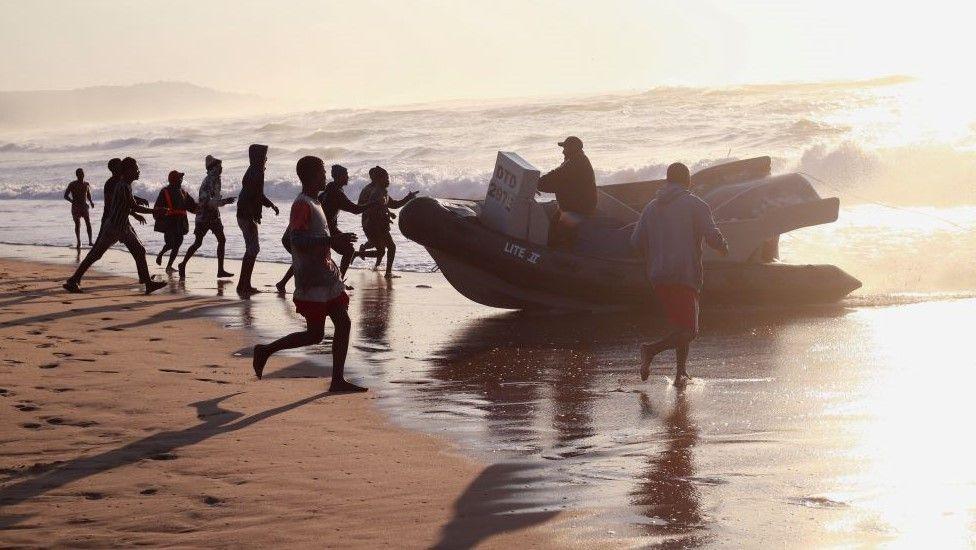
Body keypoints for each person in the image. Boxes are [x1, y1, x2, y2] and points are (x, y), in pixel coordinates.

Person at [252, 155, 363, 393]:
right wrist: (324, 244)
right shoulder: (302, 204)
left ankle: (337, 381)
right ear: (312, 176)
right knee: (316, 335)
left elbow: (297, 239)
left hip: (325, 277)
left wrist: (328, 247)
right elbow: (295, 239)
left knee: (342, 324)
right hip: (313, 283)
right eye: (322, 172)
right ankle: (265, 350)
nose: (325, 176)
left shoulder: (315, 202)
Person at [631, 162, 728, 387]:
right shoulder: (696, 205)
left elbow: (635, 242)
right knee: (690, 331)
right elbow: (712, 235)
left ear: (667, 180)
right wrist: (723, 246)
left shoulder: (650, 208)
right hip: (684, 274)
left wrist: (656, 253)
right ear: (688, 181)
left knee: (680, 325)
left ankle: (680, 373)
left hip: (659, 276)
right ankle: (650, 350)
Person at [64, 157, 168, 295]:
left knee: (139, 250)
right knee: (96, 254)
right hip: (113, 227)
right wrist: (156, 211)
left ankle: (148, 283)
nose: (138, 171)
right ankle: (73, 280)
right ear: (128, 171)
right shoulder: (121, 185)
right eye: (136, 169)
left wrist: (139, 212)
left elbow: (129, 204)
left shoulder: (125, 184)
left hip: (122, 226)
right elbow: (132, 206)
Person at [275, 164, 370, 292]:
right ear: (338, 177)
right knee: (346, 250)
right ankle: (338, 283)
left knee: (306, 258)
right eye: (345, 175)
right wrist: (374, 203)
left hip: (307, 233)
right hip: (307, 234)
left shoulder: (326, 192)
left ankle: (282, 283)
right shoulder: (335, 193)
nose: (348, 177)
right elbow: (355, 210)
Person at [178, 155, 235, 280]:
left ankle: (220, 270)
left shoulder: (215, 179)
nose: (221, 168)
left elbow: (213, 200)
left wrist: (222, 201)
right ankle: (182, 264)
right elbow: (206, 202)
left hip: (213, 216)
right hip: (204, 217)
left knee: (221, 240)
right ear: (213, 168)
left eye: (221, 166)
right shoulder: (208, 181)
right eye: (219, 166)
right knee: (198, 243)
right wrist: (225, 201)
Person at [356, 166, 417, 279]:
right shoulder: (375, 193)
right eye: (385, 178)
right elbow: (370, 210)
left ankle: (375, 265)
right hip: (374, 225)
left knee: (383, 249)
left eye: (388, 177)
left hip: (379, 225)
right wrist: (383, 218)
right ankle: (387, 272)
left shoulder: (382, 192)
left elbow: (393, 204)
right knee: (387, 248)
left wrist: (408, 197)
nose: (388, 180)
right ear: (378, 179)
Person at [537, 136, 597, 247]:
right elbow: (556, 177)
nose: (563, 151)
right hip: (577, 206)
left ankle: (560, 256)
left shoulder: (574, 165)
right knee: (555, 218)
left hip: (578, 209)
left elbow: (555, 179)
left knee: (557, 231)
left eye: (565, 148)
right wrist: (537, 184)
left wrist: (535, 184)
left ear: (572, 149)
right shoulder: (578, 160)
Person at [236, 143, 279, 296]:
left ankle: (244, 284)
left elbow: (255, 195)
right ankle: (244, 285)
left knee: (251, 249)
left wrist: (270, 205)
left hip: (244, 215)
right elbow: (255, 196)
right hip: (246, 216)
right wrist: (253, 217)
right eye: (264, 156)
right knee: (252, 249)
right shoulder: (256, 173)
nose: (266, 159)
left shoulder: (252, 171)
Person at [153, 170, 198, 273]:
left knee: (178, 244)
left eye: (181, 178)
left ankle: (169, 266)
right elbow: (157, 207)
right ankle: (161, 254)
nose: (181, 180)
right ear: (173, 180)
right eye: (179, 178)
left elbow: (192, 206)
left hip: (180, 222)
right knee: (170, 243)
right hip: (169, 222)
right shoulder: (164, 191)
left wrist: (202, 208)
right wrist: (157, 217)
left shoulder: (184, 192)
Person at [64, 168, 94, 249]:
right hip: (76, 207)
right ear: (77, 175)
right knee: (77, 224)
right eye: (80, 174)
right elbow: (65, 196)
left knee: (88, 223)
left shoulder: (86, 184)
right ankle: (79, 241)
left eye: (82, 174)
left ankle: (90, 241)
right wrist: (72, 201)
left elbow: (88, 194)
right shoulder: (72, 184)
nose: (82, 175)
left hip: (84, 206)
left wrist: (91, 202)